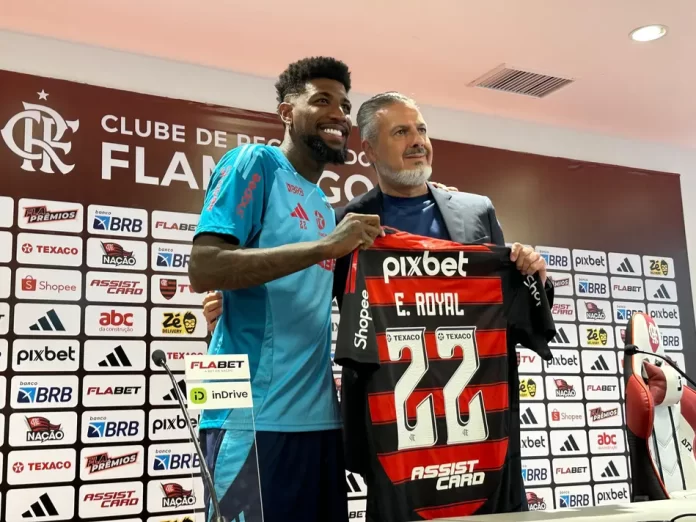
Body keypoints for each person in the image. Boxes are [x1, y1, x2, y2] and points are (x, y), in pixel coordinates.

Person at [200, 90, 555, 515]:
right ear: (368, 150)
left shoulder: (475, 212)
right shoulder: (342, 227)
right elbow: (302, 299)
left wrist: (534, 274)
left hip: (480, 432)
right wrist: (232, 303)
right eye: (401, 132)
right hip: (390, 439)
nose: (417, 140)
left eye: (421, 129)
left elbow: (510, 309)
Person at [188, 57, 383, 522]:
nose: (339, 114)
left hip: (318, 419)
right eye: (322, 100)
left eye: (345, 105)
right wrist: (324, 247)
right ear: (286, 112)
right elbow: (204, 267)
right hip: (250, 418)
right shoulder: (254, 162)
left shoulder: (323, 205)